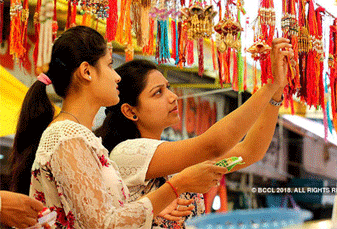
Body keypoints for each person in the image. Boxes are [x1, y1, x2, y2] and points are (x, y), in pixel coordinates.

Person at [9, 26, 227, 228]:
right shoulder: (67, 137)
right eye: (110, 64)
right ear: (87, 72)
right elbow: (105, 224)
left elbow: (104, 216)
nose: (116, 76)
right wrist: (177, 185)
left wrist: (154, 204)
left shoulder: (80, 137)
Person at [96, 37, 294, 227]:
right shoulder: (126, 153)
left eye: (168, 88)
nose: (173, 97)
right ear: (130, 111)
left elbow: (250, 152)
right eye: (158, 93)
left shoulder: (175, 157)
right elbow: (214, 145)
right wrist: (270, 85)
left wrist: (276, 94)